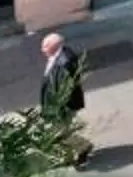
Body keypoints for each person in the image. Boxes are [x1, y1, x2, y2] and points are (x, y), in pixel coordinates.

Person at [37, 31, 93, 167]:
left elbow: (64, 89)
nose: (42, 50)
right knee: (62, 131)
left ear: (54, 46)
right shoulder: (58, 56)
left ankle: (83, 147)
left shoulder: (64, 62)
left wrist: (59, 107)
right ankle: (69, 155)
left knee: (60, 132)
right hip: (57, 104)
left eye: (45, 46)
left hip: (64, 106)